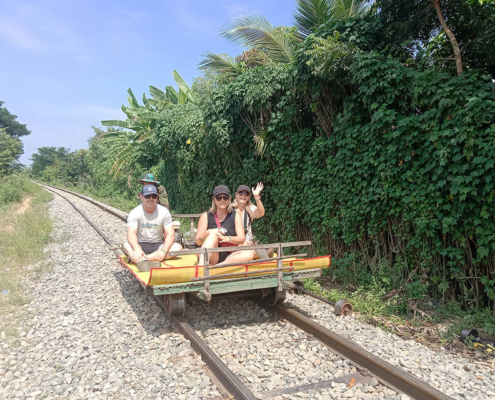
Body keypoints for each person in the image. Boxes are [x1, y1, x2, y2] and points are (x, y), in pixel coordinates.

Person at [123, 184, 183, 271]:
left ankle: (142, 260)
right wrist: (137, 248)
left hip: (157, 245)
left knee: (178, 248)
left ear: (157, 197)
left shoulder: (164, 212)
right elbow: (131, 233)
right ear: (141, 197)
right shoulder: (135, 212)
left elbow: (170, 233)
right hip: (141, 243)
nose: (151, 199)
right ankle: (150, 259)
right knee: (126, 245)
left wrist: (164, 250)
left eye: (154, 196)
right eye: (147, 196)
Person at [195, 185, 245, 266]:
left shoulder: (236, 215)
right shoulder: (206, 216)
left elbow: (242, 238)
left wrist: (227, 239)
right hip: (211, 256)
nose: (222, 200)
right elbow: (198, 240)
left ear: (229, 199)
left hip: (230, 256)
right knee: (212, 236)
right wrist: (210, 232)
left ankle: (219, 266)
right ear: (214, 199)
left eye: (225, 197)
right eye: (219, 197)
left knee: (249, 254)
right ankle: (202, 266)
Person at [231, 182, 267, 260]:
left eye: (246, 194)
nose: (243, 196)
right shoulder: (229, 210)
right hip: (234, 244)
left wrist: (257, 197)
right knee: (264, 252)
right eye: (241, 193)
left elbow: (260, 213)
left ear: (249, 197)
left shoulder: (250, 209)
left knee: (270, 251)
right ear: (236, 195)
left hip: (248, 243)